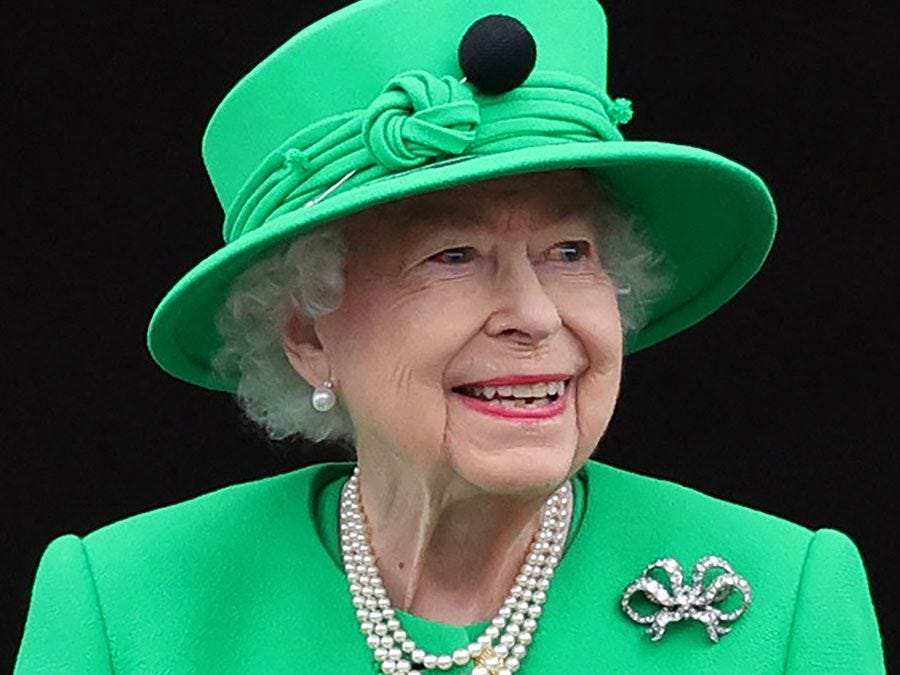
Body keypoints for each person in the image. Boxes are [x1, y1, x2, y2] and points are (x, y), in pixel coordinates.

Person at [15, 0, 885, 673]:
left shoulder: (784, 595)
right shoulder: (123, 604)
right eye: (454, 255)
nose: (537, 314)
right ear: (306, 335)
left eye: (570, 251)